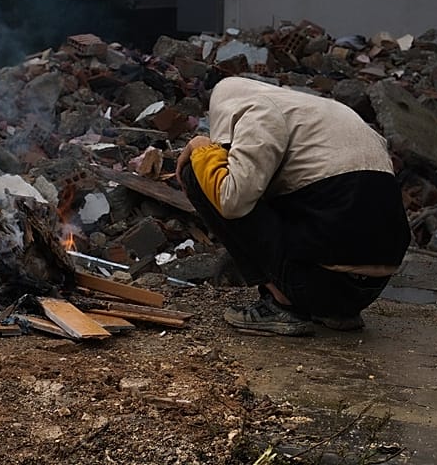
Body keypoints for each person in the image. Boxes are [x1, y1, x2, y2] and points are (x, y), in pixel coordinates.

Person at [176, 76, 411, 335]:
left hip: (316, 284)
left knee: (197, 175)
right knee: (298, 194)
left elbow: (232, 200)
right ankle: (335, 311)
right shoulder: (331, 112)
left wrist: (203, 149)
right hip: (368, 289)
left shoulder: (259, 110)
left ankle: (282, 304)